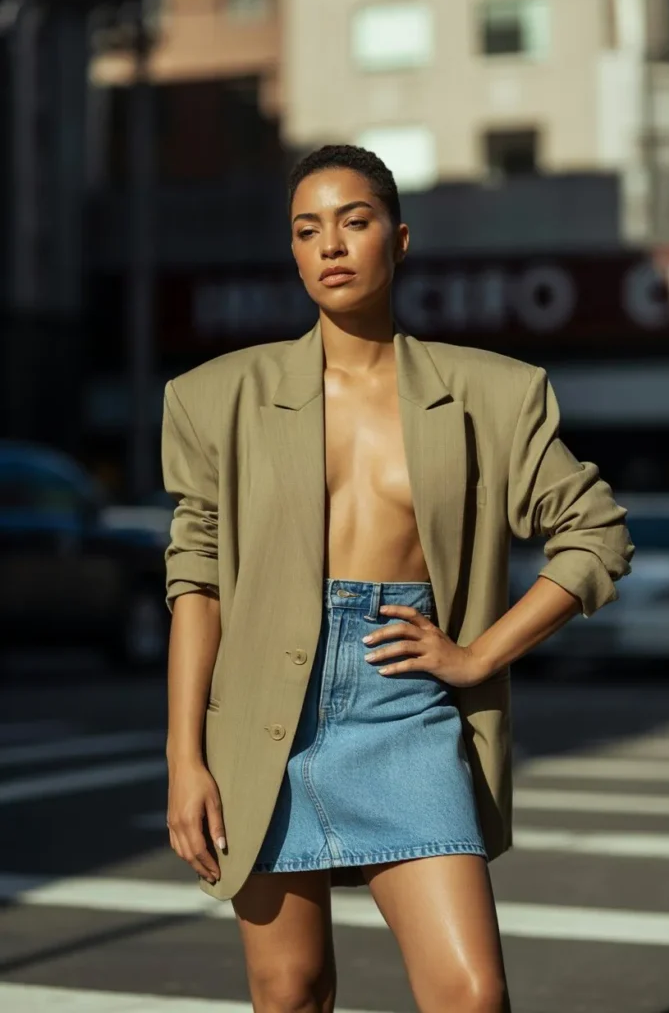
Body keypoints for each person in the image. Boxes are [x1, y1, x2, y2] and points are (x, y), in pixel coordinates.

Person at [161, 144, 634, 1013]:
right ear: (294, 252)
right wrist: (182, 756)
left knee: (470, 993)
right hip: (264, 714)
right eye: (308, 230)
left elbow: (594, 534)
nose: (330, 246)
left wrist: (478, 655)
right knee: (292, 992)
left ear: (400, 238)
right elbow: (197, 580)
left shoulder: (492, 393)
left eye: (354, 221)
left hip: (404, 705)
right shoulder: (214, 396)